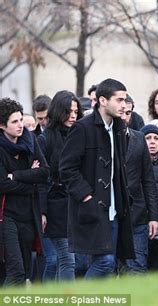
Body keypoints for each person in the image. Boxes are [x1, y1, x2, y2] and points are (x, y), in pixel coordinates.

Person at [59, 78, 135, 278]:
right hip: (92, 208)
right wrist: (87, 197)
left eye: (125, 100)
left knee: (111, 265)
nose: (124, 105)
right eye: (119, 100)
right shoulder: (82, 128)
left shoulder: (119, 129)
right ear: (102, 100)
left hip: (114, 210)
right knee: (105, 262)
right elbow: (66, 169)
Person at [0, 97, 49, 286]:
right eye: (15, 122)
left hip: (28, 215)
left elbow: (44, 172)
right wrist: (31, 178)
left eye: (21, 119)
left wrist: (17, 175)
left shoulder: (31, 140)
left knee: (25, 271)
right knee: (16, 272)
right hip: (6, 216)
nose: (21, 125)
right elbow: (3, 184)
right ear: (2, 126)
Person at [37, 90, 83, 281]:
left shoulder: (78, 134)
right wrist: (42, 210)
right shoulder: (45, 139)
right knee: (65, 258)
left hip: (74, 203)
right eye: (68, 111)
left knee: (66, 260)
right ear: (58, 111)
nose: (73, 116)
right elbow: (41, 179)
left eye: (75, 111)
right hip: (54, 204)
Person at [120, 99, 158, 274]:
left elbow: (148, 180)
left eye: (128, 113)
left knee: (138, 267)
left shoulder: (138, 139)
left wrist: (153, 216)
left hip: (137, 214)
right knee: (109, 267)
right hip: (111, 215)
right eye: (121, 112)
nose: (124, 117)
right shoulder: (102, 139)